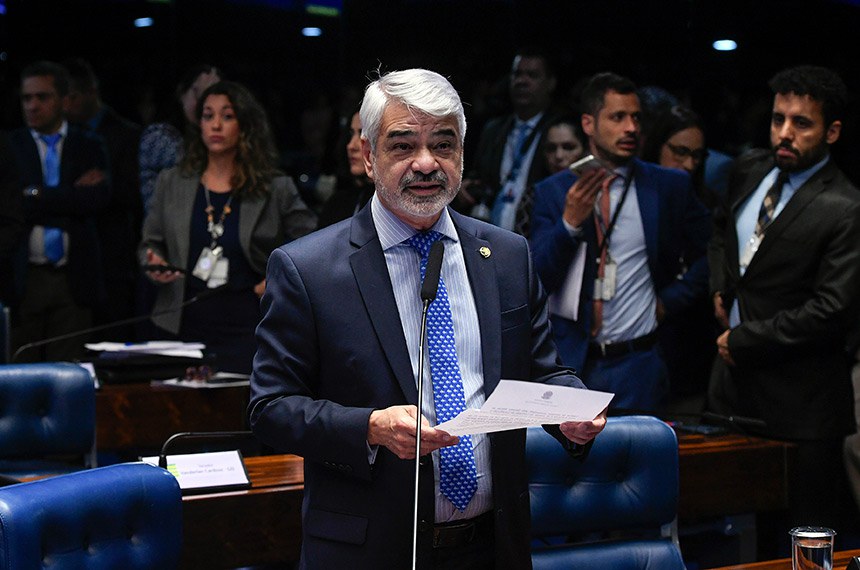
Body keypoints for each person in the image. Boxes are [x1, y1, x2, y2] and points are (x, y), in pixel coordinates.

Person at [249, 68, 606, 569]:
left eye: (443, 144)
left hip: (492, 547)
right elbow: (270, 408)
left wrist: (572, 411)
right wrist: (370, 427)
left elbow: (542, 371)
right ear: (369, 155)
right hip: (370, 551)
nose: (425, 163)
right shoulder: (307, 269)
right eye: (403, 146)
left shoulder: (506, 256)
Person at [708, 65, 860, 533]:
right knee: (729, 533)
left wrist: (745, 338)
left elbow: (832, 310)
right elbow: (721, 233)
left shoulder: (846, 206)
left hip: (803, 403)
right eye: (778, 119)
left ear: (832, 131)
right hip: (734, 390)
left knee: (802, 538)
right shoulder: (750, 169)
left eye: (802, 123)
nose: (785, 133)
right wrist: (720, 287)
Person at [530, 72, 710, 412]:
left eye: (636, 118)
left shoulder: (667, 186)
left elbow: (711, 253)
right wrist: (568, 224)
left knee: (643, 446)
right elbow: (536, 279)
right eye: (618, 117)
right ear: (588, 123)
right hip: (575, 363)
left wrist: (670, 300)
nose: (631, 128)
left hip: (639, 362)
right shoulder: (553, 192)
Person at [140, 80, 316, 374]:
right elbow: (149, 243)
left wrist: (279, 279)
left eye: (227, 116)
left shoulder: (275, 187)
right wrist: (154, 262)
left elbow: (314, 243)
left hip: (249, 324)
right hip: (181, 322)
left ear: (245, 125)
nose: (216, 125)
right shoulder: (172, 182)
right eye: (208, 116)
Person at [8, 61, 110, 362]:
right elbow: (12, 205)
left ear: (65, 101)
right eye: (27, 98)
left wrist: (36, 195)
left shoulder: (88, 144)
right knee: (20, 370)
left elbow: (95, 200)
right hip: (24, 277)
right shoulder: (9, 146)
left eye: (42, 97)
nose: (33, 106)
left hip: (73, 278)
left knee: (68, 370)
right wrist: (69, 197)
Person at [640, 104, 718, 406]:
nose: (688, 164)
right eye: (680, 152)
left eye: (697, 156)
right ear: (657, 146)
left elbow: (714, 253)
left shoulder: (705, 202)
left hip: (686, 340)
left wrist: (671, 299)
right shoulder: (635, 193)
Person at [64, 58, 143, 339]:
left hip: (114, 260)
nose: (66, 105)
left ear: (91, 92)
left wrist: (105, 185)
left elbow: (137, 195)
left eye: (72, 97)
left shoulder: (128, 134)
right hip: (73, 262)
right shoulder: (63, 137)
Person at [464, 47, 557, 231]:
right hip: (489, 231)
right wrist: (466, 185)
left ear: (550, 83)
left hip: (537, 232)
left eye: (532, 75)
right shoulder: (493, 129)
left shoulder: (558, 130)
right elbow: (478, 174)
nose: (522, 81)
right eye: (517, 74)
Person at [139, 64, 222, 214]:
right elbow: (193, 175)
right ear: (181, 92)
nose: (204, 104)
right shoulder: (158, 136)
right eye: (198, 93)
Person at [316, 109, 373, 228]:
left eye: (363, 135)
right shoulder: (336, 204)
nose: (351, 146)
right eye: (351, 134)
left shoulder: (398, 206)